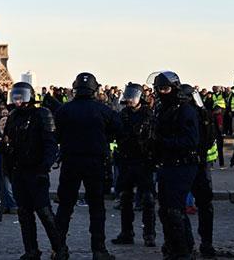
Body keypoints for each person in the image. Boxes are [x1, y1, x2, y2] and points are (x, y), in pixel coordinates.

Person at [54, 72, 120, 260]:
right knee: (96, 207)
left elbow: (55, 133)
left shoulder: (64, 110)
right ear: (94, 89)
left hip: (71, 162)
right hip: (95, 162)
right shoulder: (102, 110)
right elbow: (119, 127)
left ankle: (59, 248)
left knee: (65, 206)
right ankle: (98, 249)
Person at [1, 82, 67, 260]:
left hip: (36, 171)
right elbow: (7, 143)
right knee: (24, 213)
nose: (17, 99)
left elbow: (50, 144)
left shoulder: (42, 114)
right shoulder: (13, 116)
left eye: (20, 96)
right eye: (15, 96)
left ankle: (60, 248)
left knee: (44, 212)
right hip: (19, 171)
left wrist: (44, 167)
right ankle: (31, 250)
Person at [150, 71, 199, 260]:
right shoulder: (163, 109)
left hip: (183, 164)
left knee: (174, 209)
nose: (162, 92)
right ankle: (174, 245)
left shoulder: (185, 110)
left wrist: (162, 141)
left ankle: (183, 251)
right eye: (159, 89)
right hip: (167, 164)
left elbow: (190, 140)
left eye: (165, 88)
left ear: (174, 88)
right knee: (165, 210)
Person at [111, 83, 157, 247]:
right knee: (125, 198)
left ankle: (149, 234)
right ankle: (126, 232)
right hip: (127, 160)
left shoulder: (148, 114)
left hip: (144, 161)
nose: (129, 99)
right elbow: (117, 132)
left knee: (148, 199)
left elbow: (151, 138)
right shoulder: (123, 114)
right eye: (128, 96)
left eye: (132, 96)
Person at [179, 84, 218, 258]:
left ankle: (190, 243)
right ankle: (205, 243)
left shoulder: (184, 114)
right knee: (204, 206)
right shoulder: (204, 114)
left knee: (180, 205)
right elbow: (211, 139)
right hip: (200, 164)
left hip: (187, 165)